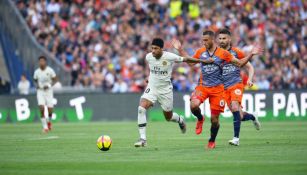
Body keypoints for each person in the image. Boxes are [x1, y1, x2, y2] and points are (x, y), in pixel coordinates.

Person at [172, 30, 262, 149]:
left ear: (212, 40)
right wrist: (180, 49)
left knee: (216, 120)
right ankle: (200, 118)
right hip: (204, 86)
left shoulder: (224, 53)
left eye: (206, 40)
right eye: (202, 40)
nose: (203, 42)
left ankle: (217, 140)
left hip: (223, 87)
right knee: (193, 105)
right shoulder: (201, 51)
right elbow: (190, 63)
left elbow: (241, 64)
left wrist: (250, 54)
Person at [134, 38, 214, 147]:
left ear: (161, 49)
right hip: (152, 88)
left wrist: (204, 61)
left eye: (156, 48)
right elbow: (152, 70)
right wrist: (149, 78)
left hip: (165, 90)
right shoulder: (149, 57)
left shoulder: (170, 56)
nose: (153, 51)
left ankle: (180, 120)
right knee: (141, 108)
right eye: (152, 48)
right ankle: (143, 139)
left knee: (168, 117)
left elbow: (187, 59)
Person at [216, 28, 261, 146]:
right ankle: (252, 116)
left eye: (224, 38)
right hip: (224, 88)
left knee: (235, 107)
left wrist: (250, 79)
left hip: (236, 84)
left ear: (229, 39)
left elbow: (249, 67)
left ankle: (236, 139)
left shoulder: (236, 52)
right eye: (220, 38)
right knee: (240, 116)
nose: (221, 41)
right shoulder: (216, 54)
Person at [33, 56, 57, 133]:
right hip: (40, 91)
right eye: (40, 61)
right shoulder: (36, 72)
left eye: (43, 61)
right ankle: (45, 127)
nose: (41, 62)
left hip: (49, 91)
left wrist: (49, 85)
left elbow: (55, 79)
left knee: (50, 109)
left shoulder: (50, 70)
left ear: (45, 62)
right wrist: (37, 85)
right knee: (41, 107)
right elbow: (35, 80)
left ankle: (49, 121)